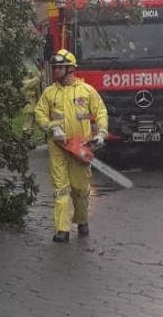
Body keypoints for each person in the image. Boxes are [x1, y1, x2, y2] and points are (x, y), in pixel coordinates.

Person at [34, 49, 108, 243]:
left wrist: (101, 134)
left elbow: (100, 112)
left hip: (80, 148)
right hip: (57, 147)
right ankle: (62, 229)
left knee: (81, 188)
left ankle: (82, 220)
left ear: (70, 69)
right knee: (61, 188)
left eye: (60, 67)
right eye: (55, 66)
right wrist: (51, 127)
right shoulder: (49, 93)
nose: (56, 70)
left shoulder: (86, 91)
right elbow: (40, 113)